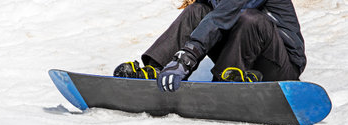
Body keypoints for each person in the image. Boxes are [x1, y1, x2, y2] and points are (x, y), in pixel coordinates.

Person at [113, 0, 306, 92]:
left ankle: (227, 79)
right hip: (245, 58)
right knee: (197, 10)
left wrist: (187, 56)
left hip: (280, 65)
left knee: (250, 19)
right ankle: (157, 70)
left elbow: (223, 15)